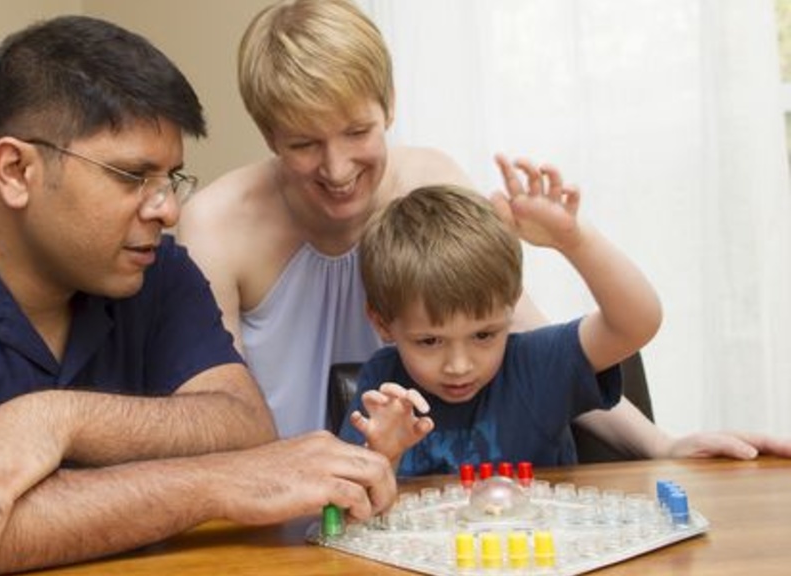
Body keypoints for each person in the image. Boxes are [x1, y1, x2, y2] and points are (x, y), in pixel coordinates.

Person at [0, 15, 396, 576]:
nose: (169, 208)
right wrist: (211, 485)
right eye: (132, 176)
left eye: (171, 176)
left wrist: (54, 420)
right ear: (16, 170)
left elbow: (239, 424)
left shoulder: (158, 271)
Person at [177, 0, 791, 459]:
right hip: (306, 498)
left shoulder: (430, 181)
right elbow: (218, 415)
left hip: (439, 486)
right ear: (267, 133)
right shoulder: (217, 225)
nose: (337, 170)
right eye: (304, 144)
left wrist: (661, 444)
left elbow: (527, 342)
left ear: (389, 102)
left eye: (358, 132)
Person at [339, 159, 662, 474]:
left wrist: (573, 241)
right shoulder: (383, 386)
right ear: (382, 323)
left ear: (512, 302)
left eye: (483, 335)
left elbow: (635, 324)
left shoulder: (535, 365)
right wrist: (384, 458)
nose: (459, 365)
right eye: (430, 341)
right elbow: (348, 510)